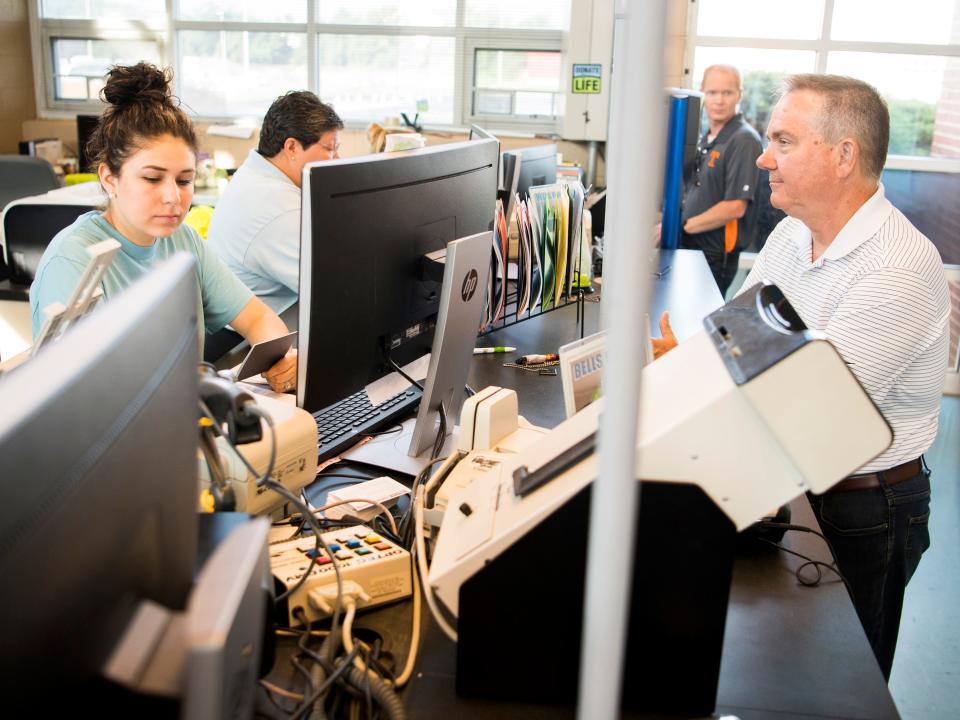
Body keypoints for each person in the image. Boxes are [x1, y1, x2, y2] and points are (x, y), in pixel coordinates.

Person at [655, 74, 950, 681]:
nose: (764, 158)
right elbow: (732, 336)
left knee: (840, 687)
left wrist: (698, 384)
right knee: (777, 670)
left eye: (784, 141)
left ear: (844, 156)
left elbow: (816, 414)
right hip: (792, 480)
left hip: (865, 508)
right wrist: (691, 365)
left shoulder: (897, 265)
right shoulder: (793, 234)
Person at [29, 63, 297, 394]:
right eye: (152, 178)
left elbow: (258, 319)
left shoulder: (184, 241)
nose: (173, 196)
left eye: (185, 180)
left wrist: (281, 358)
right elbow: (76, 398)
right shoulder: (71, 261)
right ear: (109, 178)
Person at [207, 91, 343, 313]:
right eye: (330, 149)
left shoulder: (260, 174)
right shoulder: (277, 206)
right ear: (291, 148)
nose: (337, 160)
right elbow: (333, 287)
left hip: (273, 309)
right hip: (249, 334)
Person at [680, 64, 763, 296]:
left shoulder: (743, 139)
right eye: (712, 93)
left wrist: (682, 227)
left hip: (715, 255)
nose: (719, 100)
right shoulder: (707, 138)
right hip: (693, 247)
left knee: (697, 322)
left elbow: (735, 207)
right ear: (702, 93)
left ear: (739, 95)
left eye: (727, 93)